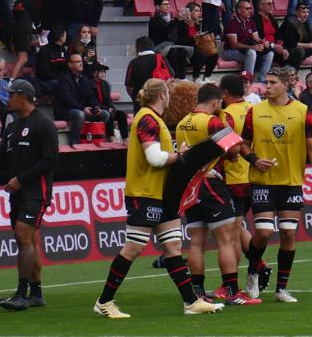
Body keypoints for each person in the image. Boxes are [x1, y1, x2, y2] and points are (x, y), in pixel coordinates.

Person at [92, 78, 224, 318]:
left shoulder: (153, 119)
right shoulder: (147, 119)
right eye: (168, 93)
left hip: (161, 193)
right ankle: (104, 301)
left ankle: (191, 302)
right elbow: (155, 158)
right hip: (145, 193)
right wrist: (180, 157)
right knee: (133, 248)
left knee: (173, 246)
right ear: (163, 95)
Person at [0, 79, 59, 311]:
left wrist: (21, 179)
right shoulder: (11, 128)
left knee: (23, 236)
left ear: (22, 96)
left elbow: (49, 160)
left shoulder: (44, 124)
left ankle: (21, 293)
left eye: (10, 94)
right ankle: (36, 294)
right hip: (18, 193)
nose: (6, 99)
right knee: (29, 241)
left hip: (36, 192)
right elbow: (0, 161)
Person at [239, 67, 312, 302]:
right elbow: (242, 144)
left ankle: (281, 289)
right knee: (264, 232)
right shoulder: (254, 112)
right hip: (262, 181)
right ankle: (253, 270)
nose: (266, 87)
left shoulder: (303, 112)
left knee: (288, 233)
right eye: (266, 82)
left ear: (285, 85)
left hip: (291, 182)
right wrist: (255, 159)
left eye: (272, 82)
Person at [176, 84, 259, 305]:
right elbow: (233, 149)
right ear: (214, 102)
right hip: (211, 182)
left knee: (196, 242)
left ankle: (197, 292)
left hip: (190, 184)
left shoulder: (183, 122)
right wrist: (231, 153)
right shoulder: (212, 121)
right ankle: (232, 292)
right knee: (227, 239)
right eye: (219, 103)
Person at [219, 74, 264, 295]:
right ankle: (259, 266)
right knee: (238, 229)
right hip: (255, 175)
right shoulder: (254, 109)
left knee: (231, 233)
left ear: (225, 93)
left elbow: (229, 148)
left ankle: (232, 284)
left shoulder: (226, 115)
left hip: (234, 177)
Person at [55, 54, 109, 145]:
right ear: (70, 65)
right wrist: (83, 108)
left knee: (105, 114)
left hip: (83, 108)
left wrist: (95, 106)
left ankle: (97, 139)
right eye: (77, 62)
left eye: (81, 61)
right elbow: (68, 100)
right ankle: (75, 142)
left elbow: (90, 96)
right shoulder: (64, 79)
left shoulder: (83, 78)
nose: (81, 64)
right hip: (66, 111)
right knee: (79, 114)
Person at [167, 3, 218, 83]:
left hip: (196, 49)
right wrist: (193, 38)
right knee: (200, 54)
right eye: (196, 11)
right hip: (184, 52)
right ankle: (194, 77)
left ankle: (206, 77)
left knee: (214, 54)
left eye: (200, 11)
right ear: (189, 12)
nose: (199, 13)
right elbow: (180, 42)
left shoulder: (199, 26)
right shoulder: (182, 25)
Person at [222, 0, 271, 81]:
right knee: (252, 52)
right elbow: (234, 45)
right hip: (230, 51)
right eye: (247, 9)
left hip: (246, 50)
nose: (250, 11)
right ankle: (247, 80)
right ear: (239, 10)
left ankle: (262, 80)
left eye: (250, 9)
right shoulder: (232, 23)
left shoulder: (251, 22)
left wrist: (263, 42)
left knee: (269, 54)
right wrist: (252, 47)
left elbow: (257, 39)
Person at [125, 37, 173, 112]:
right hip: (158, 102)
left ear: (138, 48)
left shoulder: (133, 63)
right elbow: (171, 79)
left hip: (140, 104)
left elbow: (129, 87)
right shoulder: (160, 58)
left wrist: (136, 98)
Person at [277, 2, 312, 73]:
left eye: (307, 12)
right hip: (287, 51)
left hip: (299, 49)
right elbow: (292, 44)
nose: (306, 14)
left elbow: (310, 38)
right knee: (300, 50)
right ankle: (293, 75)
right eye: (303, 12)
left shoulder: (305, 22)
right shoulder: (289, 23)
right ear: (297, 13)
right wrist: (310, 45)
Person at [10, 0, 42, 80]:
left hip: (15, 28)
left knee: (21, 56)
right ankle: (11, 81)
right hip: (24, 30)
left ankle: (16, 80)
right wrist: (40, 30)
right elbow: (36, 16)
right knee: (23, 58)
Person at [89, 63, 128, 142]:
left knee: (122, 114)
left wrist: (112, 109)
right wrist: (107, 108)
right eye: (100, 72)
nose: (103, 74)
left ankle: (125, 138)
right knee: (108, 113)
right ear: (93, 73)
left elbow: (108, 100)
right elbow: (92, 102)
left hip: (105, 108)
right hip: (93, 109)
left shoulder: (105, 84)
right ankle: (111, 136)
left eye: (104, 72)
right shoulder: (89, 84)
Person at [252, 0, 289, 81]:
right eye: (269, 4)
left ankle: (286, 80)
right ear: (261, 6)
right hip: (263, 48)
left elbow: (279, 36)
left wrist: (283, 48)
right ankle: (262, 79)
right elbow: (259, 38)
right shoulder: (255, 19)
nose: (272, 5)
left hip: (274, 48)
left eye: (272, 3)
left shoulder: (272, 19)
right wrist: (273, 46)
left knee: (294, 52)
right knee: (270, 52)